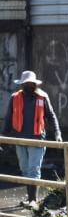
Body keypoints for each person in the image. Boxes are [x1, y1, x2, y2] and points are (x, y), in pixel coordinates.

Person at [2, 70, 62, 207]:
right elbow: (8, 117)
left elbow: (51, 116)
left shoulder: (42, 97)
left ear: (35, 84)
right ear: (22, 85)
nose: (29, 85)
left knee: (34, 169)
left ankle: (33, 200)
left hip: (37, 139)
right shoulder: (15, 97)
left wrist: (57, 133)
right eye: (26, 83)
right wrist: (3, 137)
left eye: (31, 83)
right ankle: (30, 199)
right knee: (24, 169)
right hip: (20, 140)